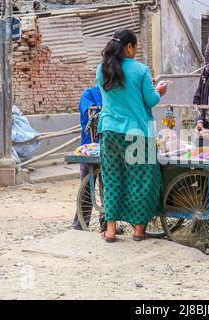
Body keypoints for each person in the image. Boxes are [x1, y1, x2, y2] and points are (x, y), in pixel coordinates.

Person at [96, 29, 167, 242]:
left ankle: (110, 230)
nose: (135, 51)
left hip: (109, 131)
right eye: (135, 47)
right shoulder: (141, 70)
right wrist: (159, 90)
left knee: (113, 178)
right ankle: (138, 230)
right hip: (137, 133)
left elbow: (114, 95)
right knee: (142, 180)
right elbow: (151, 100)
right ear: (129, 47)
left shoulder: (101, 69)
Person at [71, 85, 102, 231]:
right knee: (87, 187)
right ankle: (79, 225)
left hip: (107, 147)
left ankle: (107, 223)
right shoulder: (88, 94)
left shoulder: (113, 93)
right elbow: (91, 115)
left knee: (107, 188)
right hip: (89, 148)